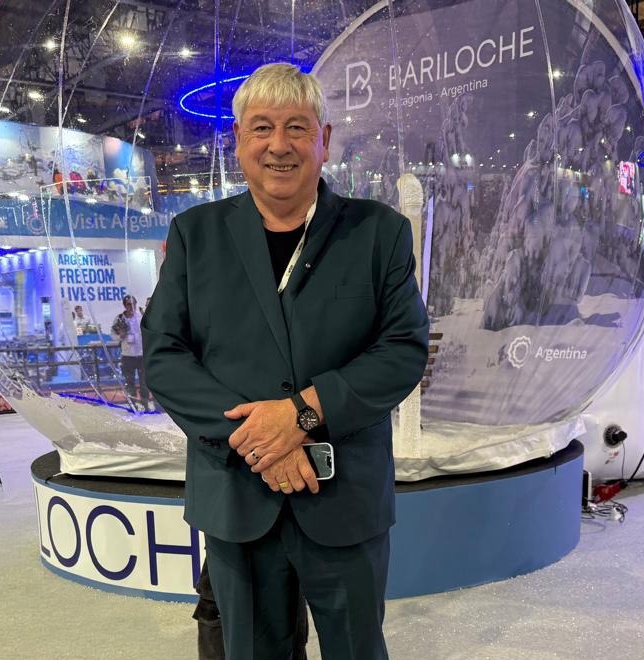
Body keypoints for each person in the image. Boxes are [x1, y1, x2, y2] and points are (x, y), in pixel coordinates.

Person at [143, 63, 429, 659]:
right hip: (236, 492)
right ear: (238, 140)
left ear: (324, 140)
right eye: (262, 127)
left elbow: (402, 349)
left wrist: (300, 414)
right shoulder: (196, 234)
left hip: (344, 496)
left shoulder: (378, 232)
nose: (279, 145)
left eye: (297, 127)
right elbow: (166, 356)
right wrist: (260, 440)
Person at [113, 294, 152, 411]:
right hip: (127, 355)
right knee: (130, 382)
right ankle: (133, 404)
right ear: (125, 306)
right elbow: (113, 334)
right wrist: (120, 336)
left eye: (133, 304)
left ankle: (145, 403)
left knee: (144, 382)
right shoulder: (119, 318)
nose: (131, 307)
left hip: (141, 354)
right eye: (129, 304)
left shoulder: (141, 316)